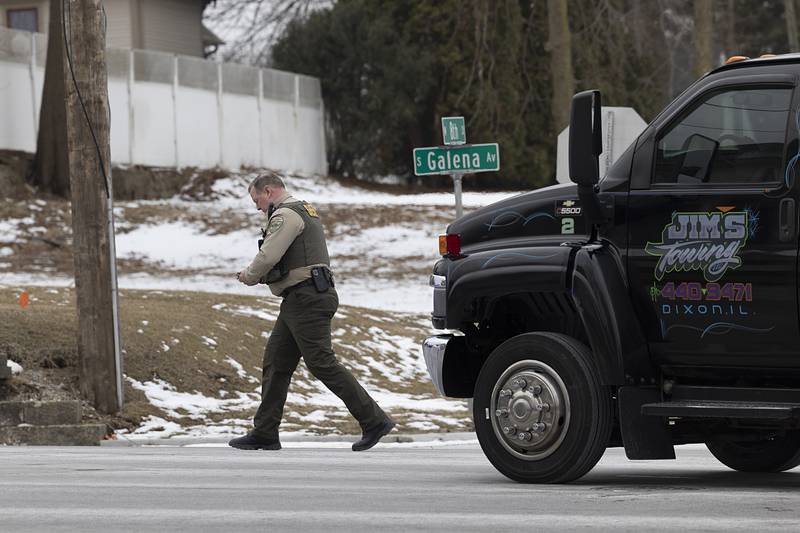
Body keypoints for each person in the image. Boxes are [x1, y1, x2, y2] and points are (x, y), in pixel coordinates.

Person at [229, 171, 395, 451]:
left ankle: (374, 420)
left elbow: (269, 255)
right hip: (300, 298)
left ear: (268, 192)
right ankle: (265, 432)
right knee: (276, 362)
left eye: (257, 200)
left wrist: (249, 275)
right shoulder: (303, 209)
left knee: (321, 362)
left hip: (306, 298)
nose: (257, 207)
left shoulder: (286, 214)